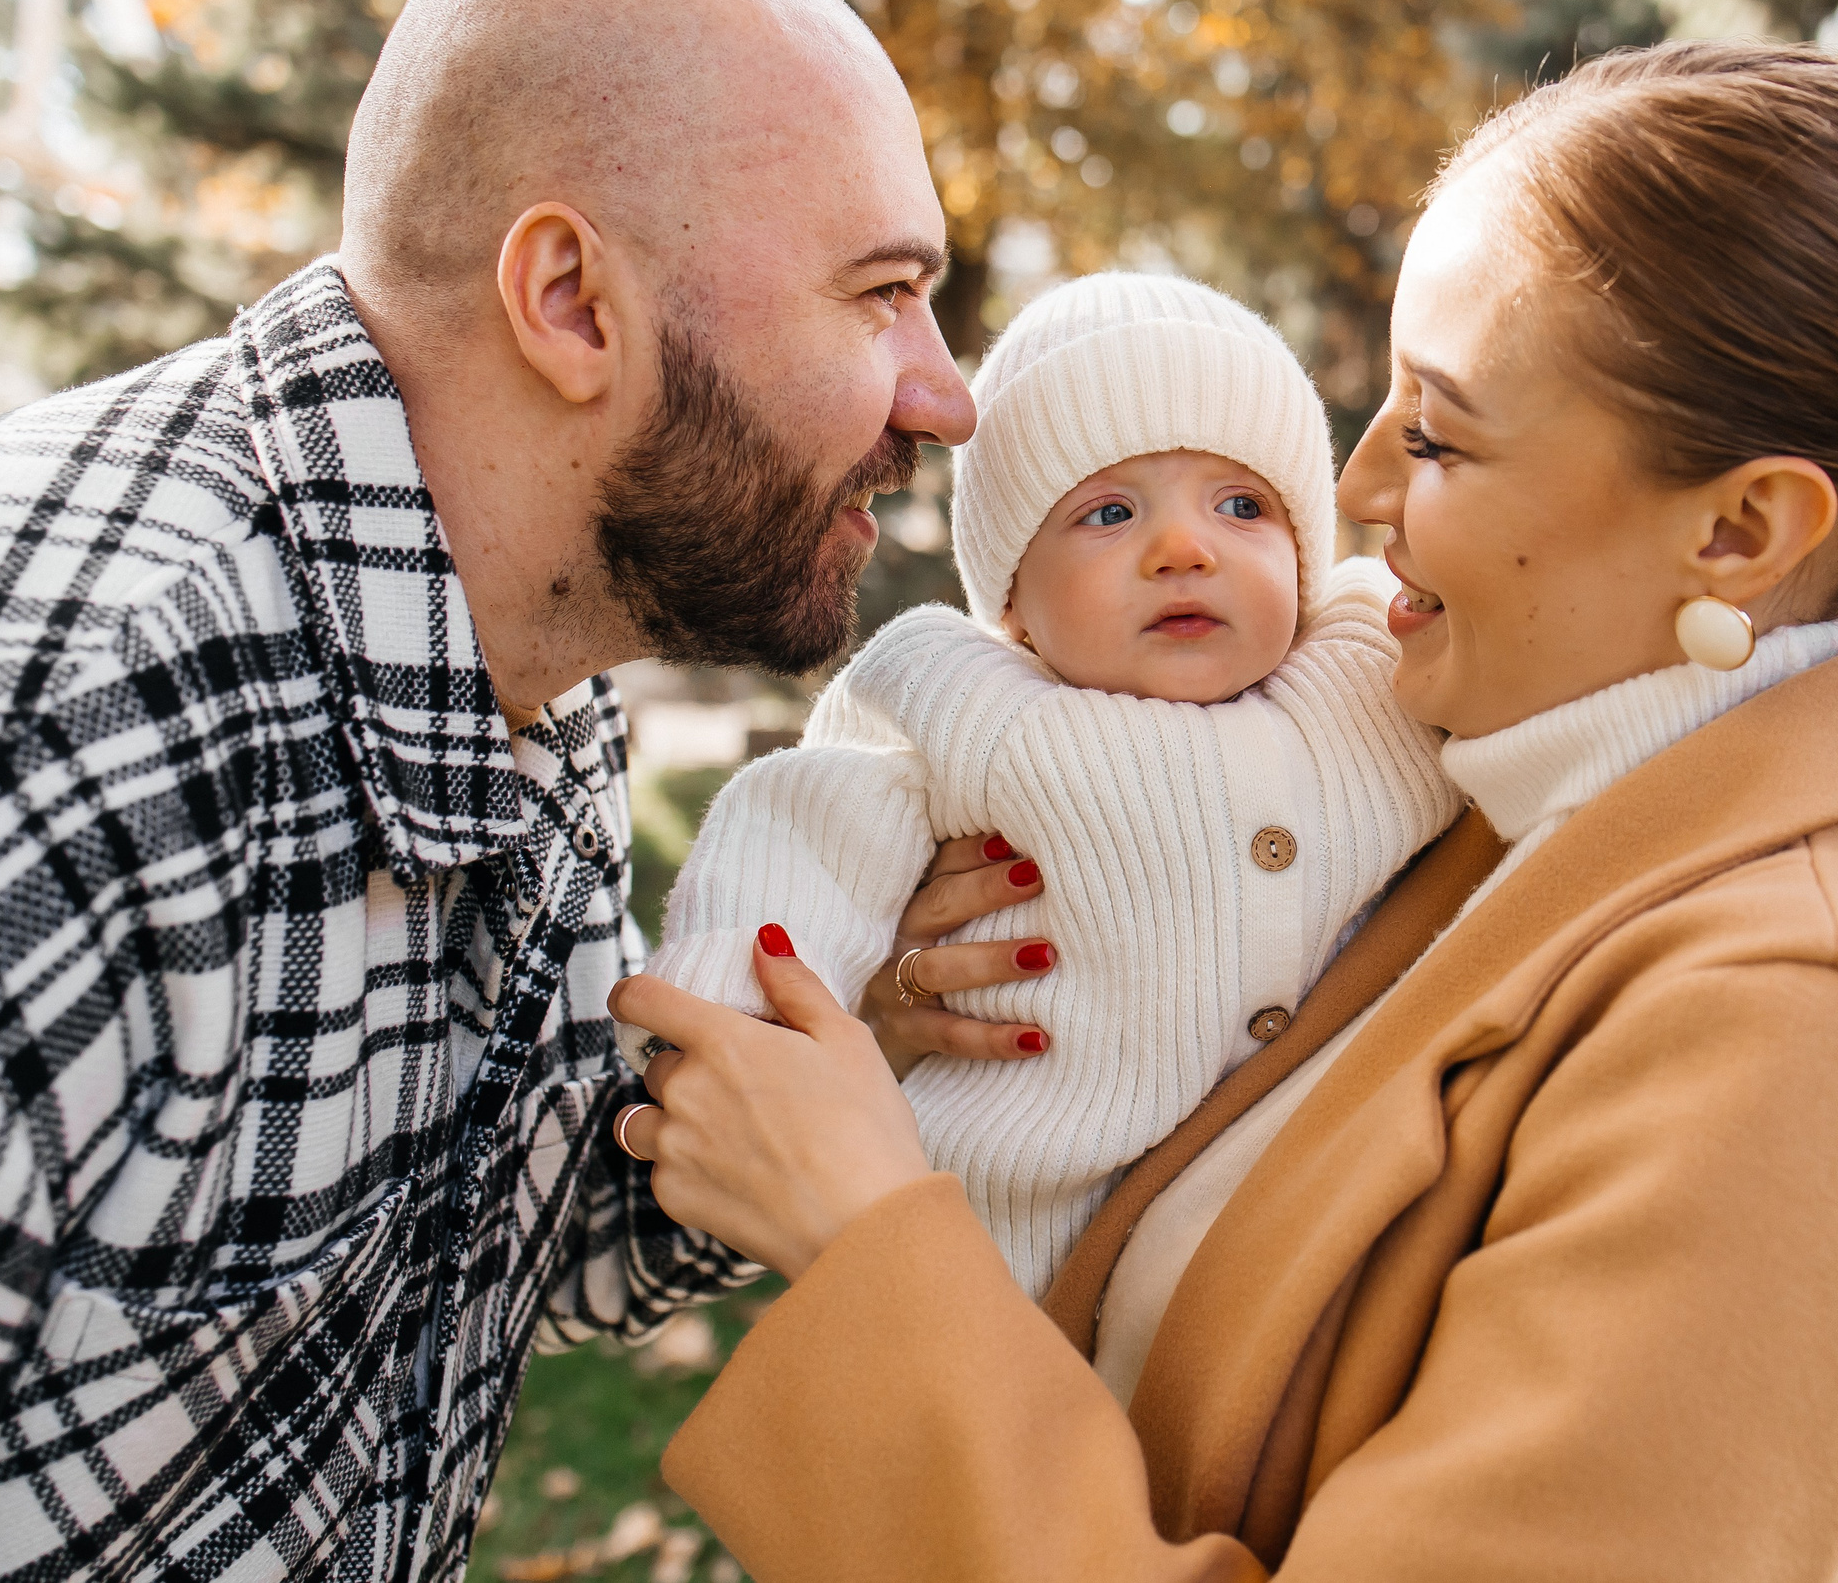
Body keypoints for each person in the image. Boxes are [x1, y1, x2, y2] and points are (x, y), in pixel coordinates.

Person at [611, 41, 1838, 1579]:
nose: (1352, 494)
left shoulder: (1792, 1042)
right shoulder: (1510, 818)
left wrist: (866, 1238)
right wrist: (939, 1012)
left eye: (1435, 439)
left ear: (1738, 535)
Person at [0, 0, 973, 1583]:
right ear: (570, 303)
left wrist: (831, 1060)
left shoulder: (539, 637)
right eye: (882, 295)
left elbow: (517, 1244)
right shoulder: (52, 763)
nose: (942, 395)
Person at [626, 273, 1461, 1298]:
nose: (1184, 547)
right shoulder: (965, 701)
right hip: (1013, 1266)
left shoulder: (1372, 662)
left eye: (1243, 504)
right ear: (1012, 598)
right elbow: (802, 826)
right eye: (1108, 512)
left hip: (1318, 1248)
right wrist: (736, 1008)